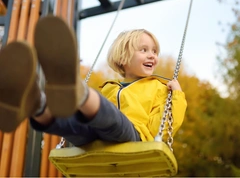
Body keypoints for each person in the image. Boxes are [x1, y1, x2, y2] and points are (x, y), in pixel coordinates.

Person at [0, 15, 187, 146]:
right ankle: (36, 104)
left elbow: (163, 126)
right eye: (144, 50)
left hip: (134, 139)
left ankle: (78, 91)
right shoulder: (110, 87)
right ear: (122, 58)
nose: (152, 56)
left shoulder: (158, 88)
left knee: (113, 118)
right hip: (96, 140)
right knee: (73, 125)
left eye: (154, 51)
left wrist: (176, 95)